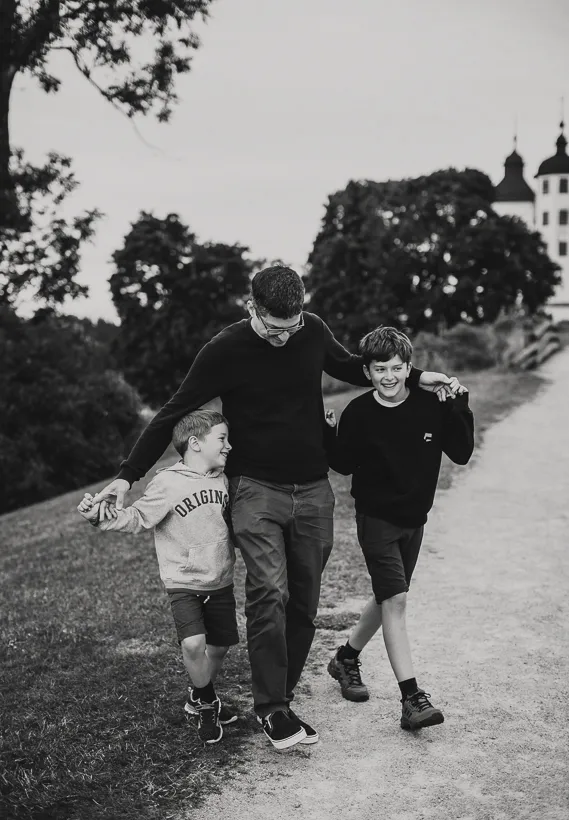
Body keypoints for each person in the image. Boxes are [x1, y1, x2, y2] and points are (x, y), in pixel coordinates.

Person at [91, 266, 462, 751]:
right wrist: (126, 476)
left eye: (293, 326)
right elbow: (173, 412)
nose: (286, 337)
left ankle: (280, 699)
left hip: (313, 489)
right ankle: (271, 709)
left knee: (304, 603)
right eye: (274, 329)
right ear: (253, 309)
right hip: (255, 488)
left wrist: (418, 376)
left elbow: (354, 367)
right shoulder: (224, 350)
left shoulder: (313, 330)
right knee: (269, 590)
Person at [325, 325, 474, 730]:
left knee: (388, 595)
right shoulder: (359, 412)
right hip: (375, 519)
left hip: (414, 520)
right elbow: (342, 463)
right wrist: (327, 431)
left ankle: (345, 658)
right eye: (379, 369)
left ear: (409, 368)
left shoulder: (431, 405)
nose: (388, 377)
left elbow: (461, 453)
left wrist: (458, 405)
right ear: (367, 372)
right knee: (396, 600)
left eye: (395, 368)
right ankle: (411, 698)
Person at [77, 410, 238, 746]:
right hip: (183, 581)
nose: (228, 446)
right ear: (195, 443)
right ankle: (208, 703)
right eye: (222, 439)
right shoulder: (167, 483)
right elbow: (137, 517)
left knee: (219, 647)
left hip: (220, 579)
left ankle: (198, 694)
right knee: (193, 644)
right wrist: (99, 518)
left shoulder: (225, 479)